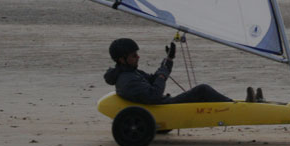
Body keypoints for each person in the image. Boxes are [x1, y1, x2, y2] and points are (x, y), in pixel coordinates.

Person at [104, 37, 253, 104]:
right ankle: (237, 107)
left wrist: (168, 60)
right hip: (163, 107)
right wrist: (162, 76)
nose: (138, 57)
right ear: (121, 59)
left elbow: (154, 78)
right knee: (202, 90)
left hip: (162, 104)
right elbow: (155, 95)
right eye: (133, 55)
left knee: (203, 93)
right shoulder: (127, 79)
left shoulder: (130, 73)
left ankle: (237, 104)